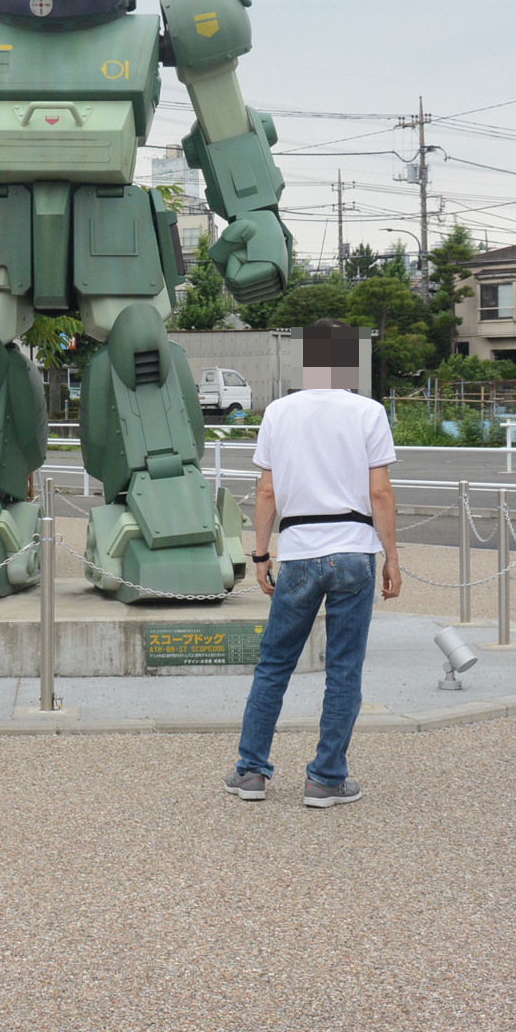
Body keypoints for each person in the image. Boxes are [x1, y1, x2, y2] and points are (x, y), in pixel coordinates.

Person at [227, 319, 401, 809]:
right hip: (353, 550)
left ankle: (251, 772)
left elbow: (266, 491)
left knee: (274, 664)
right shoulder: (368, 412)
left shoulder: (279, 413)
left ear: (308, 359)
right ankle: (326, 778)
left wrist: (261, 553)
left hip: (299, 549)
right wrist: (392, 557)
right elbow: (380, 492)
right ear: (347, 360)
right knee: (344, 669)